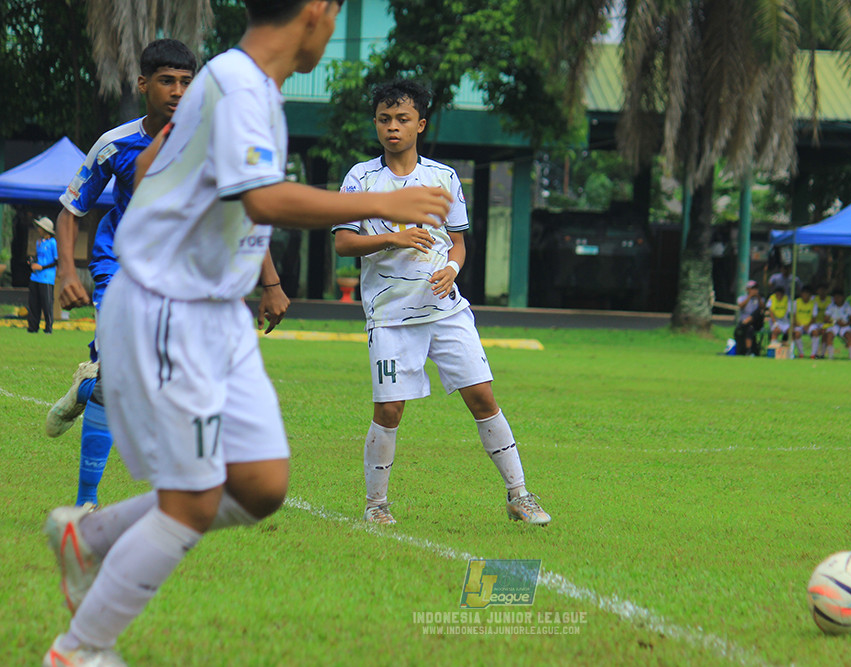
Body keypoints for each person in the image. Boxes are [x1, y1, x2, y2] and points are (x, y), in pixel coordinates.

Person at [42, 3, 452, 664]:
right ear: (317, 10)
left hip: (216, 313)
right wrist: (382, 200)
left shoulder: (244, 86)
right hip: (168, 307)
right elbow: (261, 196)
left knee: (259, 485)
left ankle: (87, 540)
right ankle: (79, 649)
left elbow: (151, 168)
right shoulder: (235, 82)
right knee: (194, 501)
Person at [334, 78, 550, 527]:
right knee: (390, 409)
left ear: (421, 124)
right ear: (375, 123)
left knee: (482, 397)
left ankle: (520, 494)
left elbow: (458, 244)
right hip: (390, 316)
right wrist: (394, 237)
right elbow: (343, 243)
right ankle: (377, 506)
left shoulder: (443, 177)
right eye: (384, 119)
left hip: (447, 311)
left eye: (402, 119)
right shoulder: (360, 178)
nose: (393, 127)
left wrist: (452, 268)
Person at [43, 40, 227, 511]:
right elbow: (70, 209)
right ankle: (86, 504)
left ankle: (87, 383)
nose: (179, 91)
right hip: (120, 267)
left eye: (188, 82)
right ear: (143, 84)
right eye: (167, 80)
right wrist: (66, 268)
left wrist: (268, 281)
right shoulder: (115, 144)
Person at [27, 216, 58, 334]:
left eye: (40, 227)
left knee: (47, 303)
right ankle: (33, 327)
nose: (38, 229)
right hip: (35, 277)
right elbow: (38, 256)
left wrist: (42, 267)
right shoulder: (38, 242)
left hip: (47, 278)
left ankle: (48, 328)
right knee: (34, 303)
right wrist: (32, 261)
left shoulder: (53, 243)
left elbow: (56, 261)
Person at [823, 288, 851, 359]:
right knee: (829, 335)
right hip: (834, 325)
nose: (836, 299)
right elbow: (826, 318)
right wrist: (835, 322)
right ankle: (830, 356)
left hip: (845, 325)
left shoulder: (847, 306)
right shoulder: (831, 306)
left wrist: (845, 324)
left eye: (838, 297)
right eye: (835, 297)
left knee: (849, 337)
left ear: (842, 297)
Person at [734, 280, 763, 355]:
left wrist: (758, 297)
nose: (754, 290)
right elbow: (741, 306)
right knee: (749, 329)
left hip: (756, 322)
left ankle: (746, 321)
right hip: (746, 323)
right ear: (748, 289)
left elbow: (762, 308)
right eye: (752, 288)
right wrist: (750, 296)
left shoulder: (759, 299)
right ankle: (748, 350)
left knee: (757, 312)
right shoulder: (742, 298)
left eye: (755, 289)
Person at [790, 284, 815, 359]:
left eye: (808, 293)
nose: (806, 295)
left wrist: (808, 326)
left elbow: (814, 318)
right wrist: (795, 323)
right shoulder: (796, 302)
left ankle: (813, 354)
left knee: (815, 332)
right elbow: (793, 315)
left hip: (810, 324)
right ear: (801, 294)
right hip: (799, 324)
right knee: (796, 334)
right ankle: (801, 353)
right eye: (804, 293)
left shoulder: (813, 303)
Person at [810, 283, 832, 358]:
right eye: (820, 290)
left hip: (826, 322)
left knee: (825, 332)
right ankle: (814, 353)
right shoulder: (813, 299)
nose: (822, 292)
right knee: (815, 332)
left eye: (824, 290)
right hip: (815, 322)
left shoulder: (830, 300)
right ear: (817, 291)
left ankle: (822, 354)